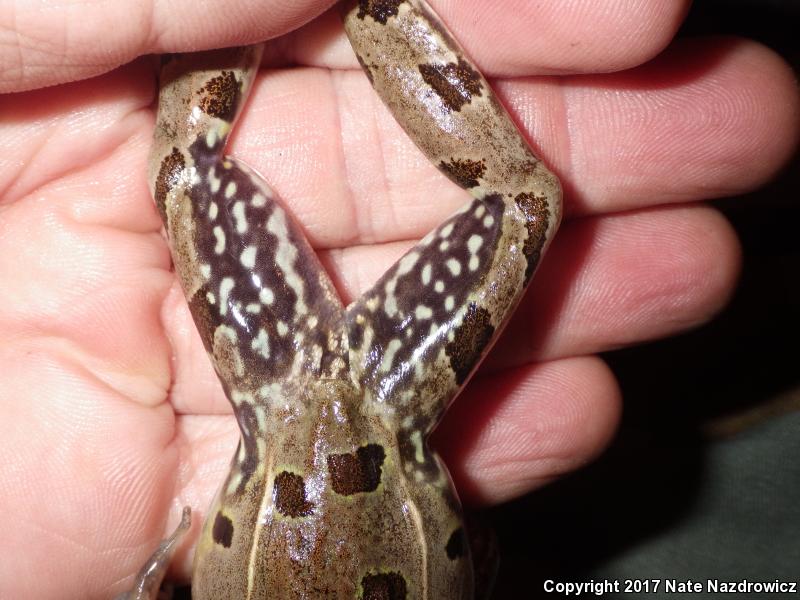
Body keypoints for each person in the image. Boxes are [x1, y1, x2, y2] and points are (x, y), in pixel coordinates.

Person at [0, 1, 796, 597]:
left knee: (518, 202)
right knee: (187, 170)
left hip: (322, 399)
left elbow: (479, 554)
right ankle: (378, 11)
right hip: (349, 396)